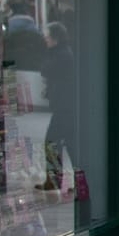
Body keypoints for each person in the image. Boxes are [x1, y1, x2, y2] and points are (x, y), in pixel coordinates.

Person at [39, 22, 77, 190]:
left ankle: (54, 181)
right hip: (65, 107)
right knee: (71, 145)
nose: (45, 40)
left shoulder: (61, 54)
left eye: (48, 37)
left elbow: (46, 69)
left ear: (55, 38)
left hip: (64, 107)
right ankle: (79, 181)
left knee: (52, 142)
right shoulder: (62, 53)